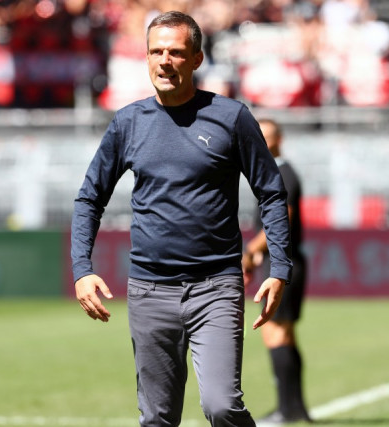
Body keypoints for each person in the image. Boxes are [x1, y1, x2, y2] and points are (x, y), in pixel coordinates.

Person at [71, 11, 292, 427]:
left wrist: (279, 267)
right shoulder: (128, 123)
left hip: (217, 286)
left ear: (196, 59)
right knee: (157, 418)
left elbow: (271, 192)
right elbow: (90, 198)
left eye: (175, 52)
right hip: (149, 290)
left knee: (222, 406)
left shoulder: (231, 117)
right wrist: (82, 269)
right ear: (146, 57)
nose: (165, 61)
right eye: (156, 51)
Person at [242, 119, 311, 425]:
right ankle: (294, 408)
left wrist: (250, 250)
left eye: (266, 136)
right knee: (284, 333)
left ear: (279, 139)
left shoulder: (282, 174)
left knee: (276, 332)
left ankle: (288, 409)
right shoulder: (271, 173)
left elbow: (281, 219)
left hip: (282, 263)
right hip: (280, 260)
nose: (260, 141)